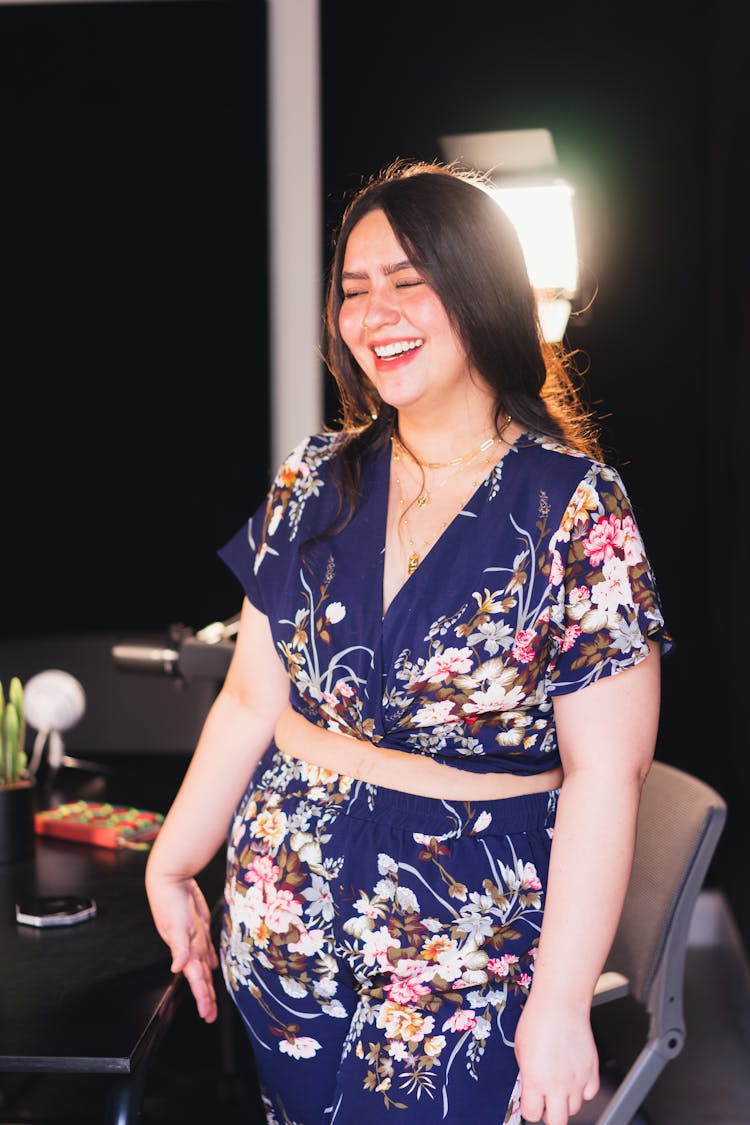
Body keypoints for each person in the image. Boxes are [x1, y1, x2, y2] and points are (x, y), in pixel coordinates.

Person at [145, 158, 672, 1125]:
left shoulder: (573, 504)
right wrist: (171, 862)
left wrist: (561, 1001)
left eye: (408, 280)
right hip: (286, 906)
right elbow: (251, 700)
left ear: (479, 290)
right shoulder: (315, 477)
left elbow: (609, 773)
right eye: (354, 290)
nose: (374, 312)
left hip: (471, 940)